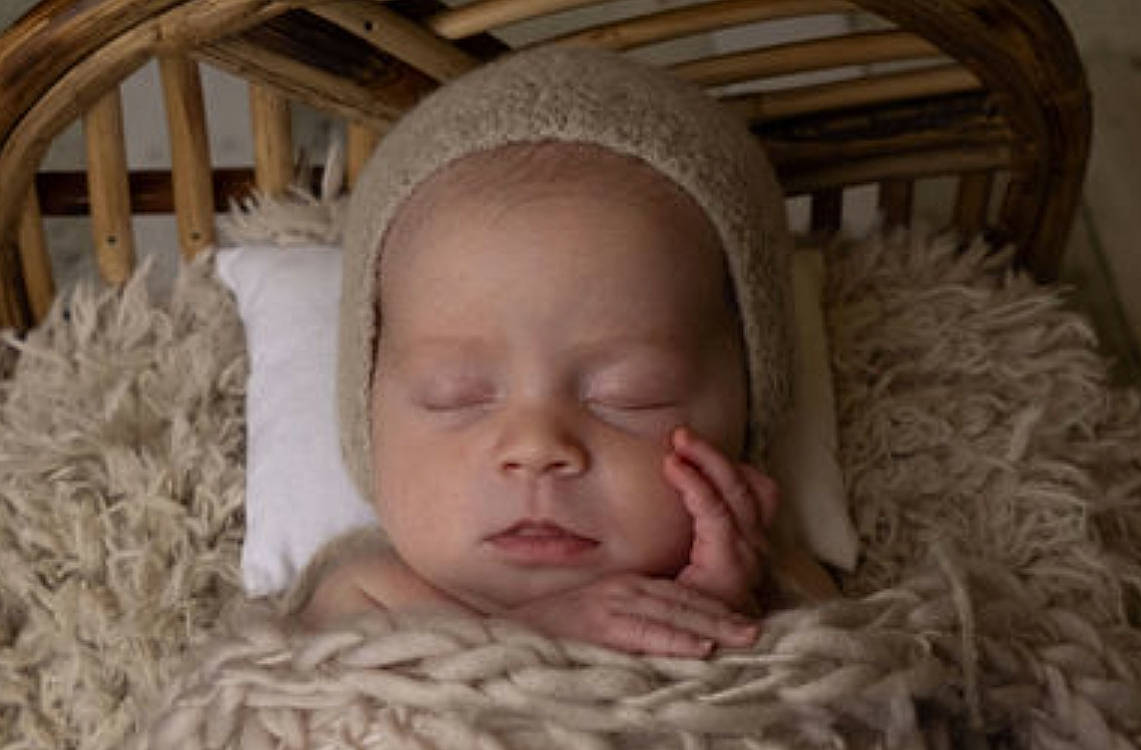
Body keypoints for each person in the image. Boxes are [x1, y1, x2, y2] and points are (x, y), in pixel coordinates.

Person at [293, 45, 817, 658]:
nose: (537, 448)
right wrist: (531, 639)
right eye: (454, 394)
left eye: (629, 393)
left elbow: (854, 692)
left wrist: (722, 612)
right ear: (366, 423)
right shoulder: (365, 596)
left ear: (750, 405)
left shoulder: (777, 573)